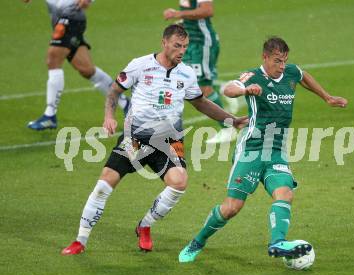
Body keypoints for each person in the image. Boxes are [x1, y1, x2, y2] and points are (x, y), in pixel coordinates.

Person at [61, 24, 248, 255]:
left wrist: (232, 120)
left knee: (179, 182)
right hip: (136, 138)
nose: (182, 51)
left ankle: (145, 225)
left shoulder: (186, 73)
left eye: (185, 47)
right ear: (164, 43)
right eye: (177, 46)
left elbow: (200, 102)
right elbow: (114, 91)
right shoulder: (140, 65)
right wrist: (109, 116)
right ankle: (80, 240)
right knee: (104, 185)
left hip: (168, 140)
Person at [178, 37, 348, 263]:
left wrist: (327, 97)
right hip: (251, 149)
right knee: (231, 208)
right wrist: (246, 90)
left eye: (284, 61)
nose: (282, 66)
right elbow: (230, 89)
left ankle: (276, 243)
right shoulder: (253, 76)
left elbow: (302, 75)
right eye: (277, 61)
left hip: (276, 150)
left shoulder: (290, 72)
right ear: (265, 57)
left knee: (285, 193)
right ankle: (197, 242)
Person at [23, 0, 130, 130]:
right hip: (62, 19)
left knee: (53, 60)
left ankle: (49, 115)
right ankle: (126, 104)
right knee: (86, 70)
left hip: (70, 18)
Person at [163, 0, 239, 144]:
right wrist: (181, 22)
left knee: (202, 89)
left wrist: (178, 13)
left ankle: (228, 128)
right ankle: (225, 90)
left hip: (201, 44)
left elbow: (207, 10)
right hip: (191, 43)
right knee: (187, 80)